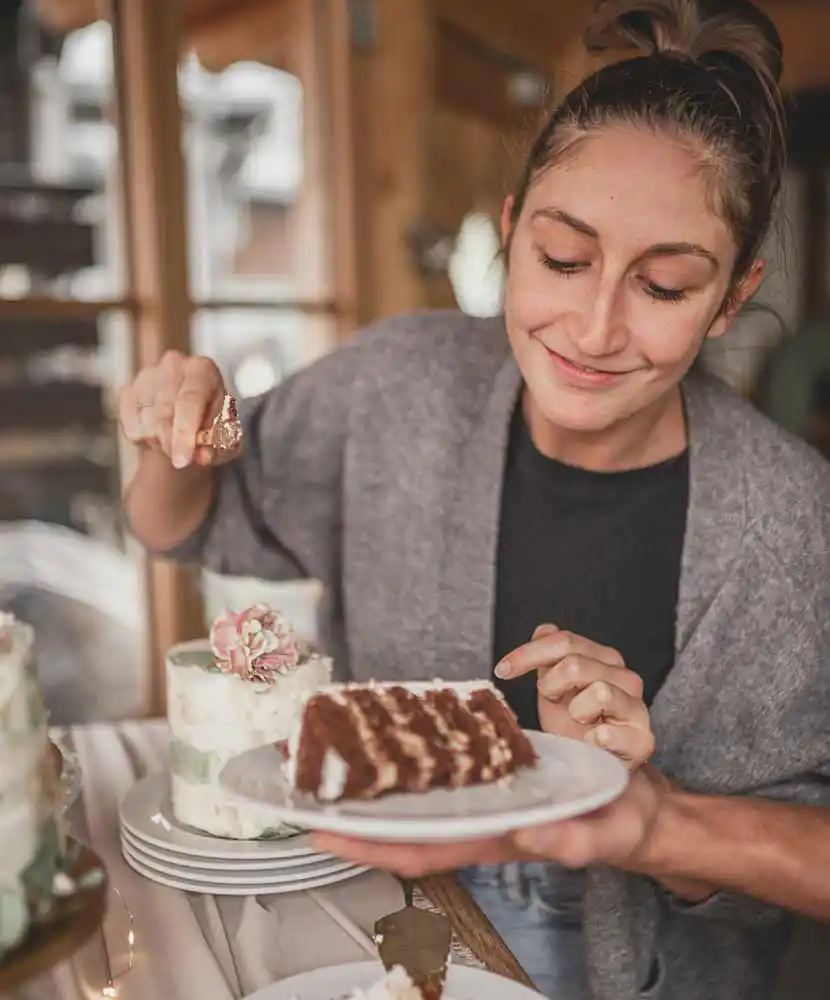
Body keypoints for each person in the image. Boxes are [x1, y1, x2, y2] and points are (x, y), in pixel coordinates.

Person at [119, 0, 830, 997]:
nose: (591, 327)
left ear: (729, 298)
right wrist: (173, 438)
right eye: (562, 259)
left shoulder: (792, 524)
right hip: (370, 935)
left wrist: (659, 819)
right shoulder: (395, 385)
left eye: (661, 286)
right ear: (507, 230)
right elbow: (175, 523)